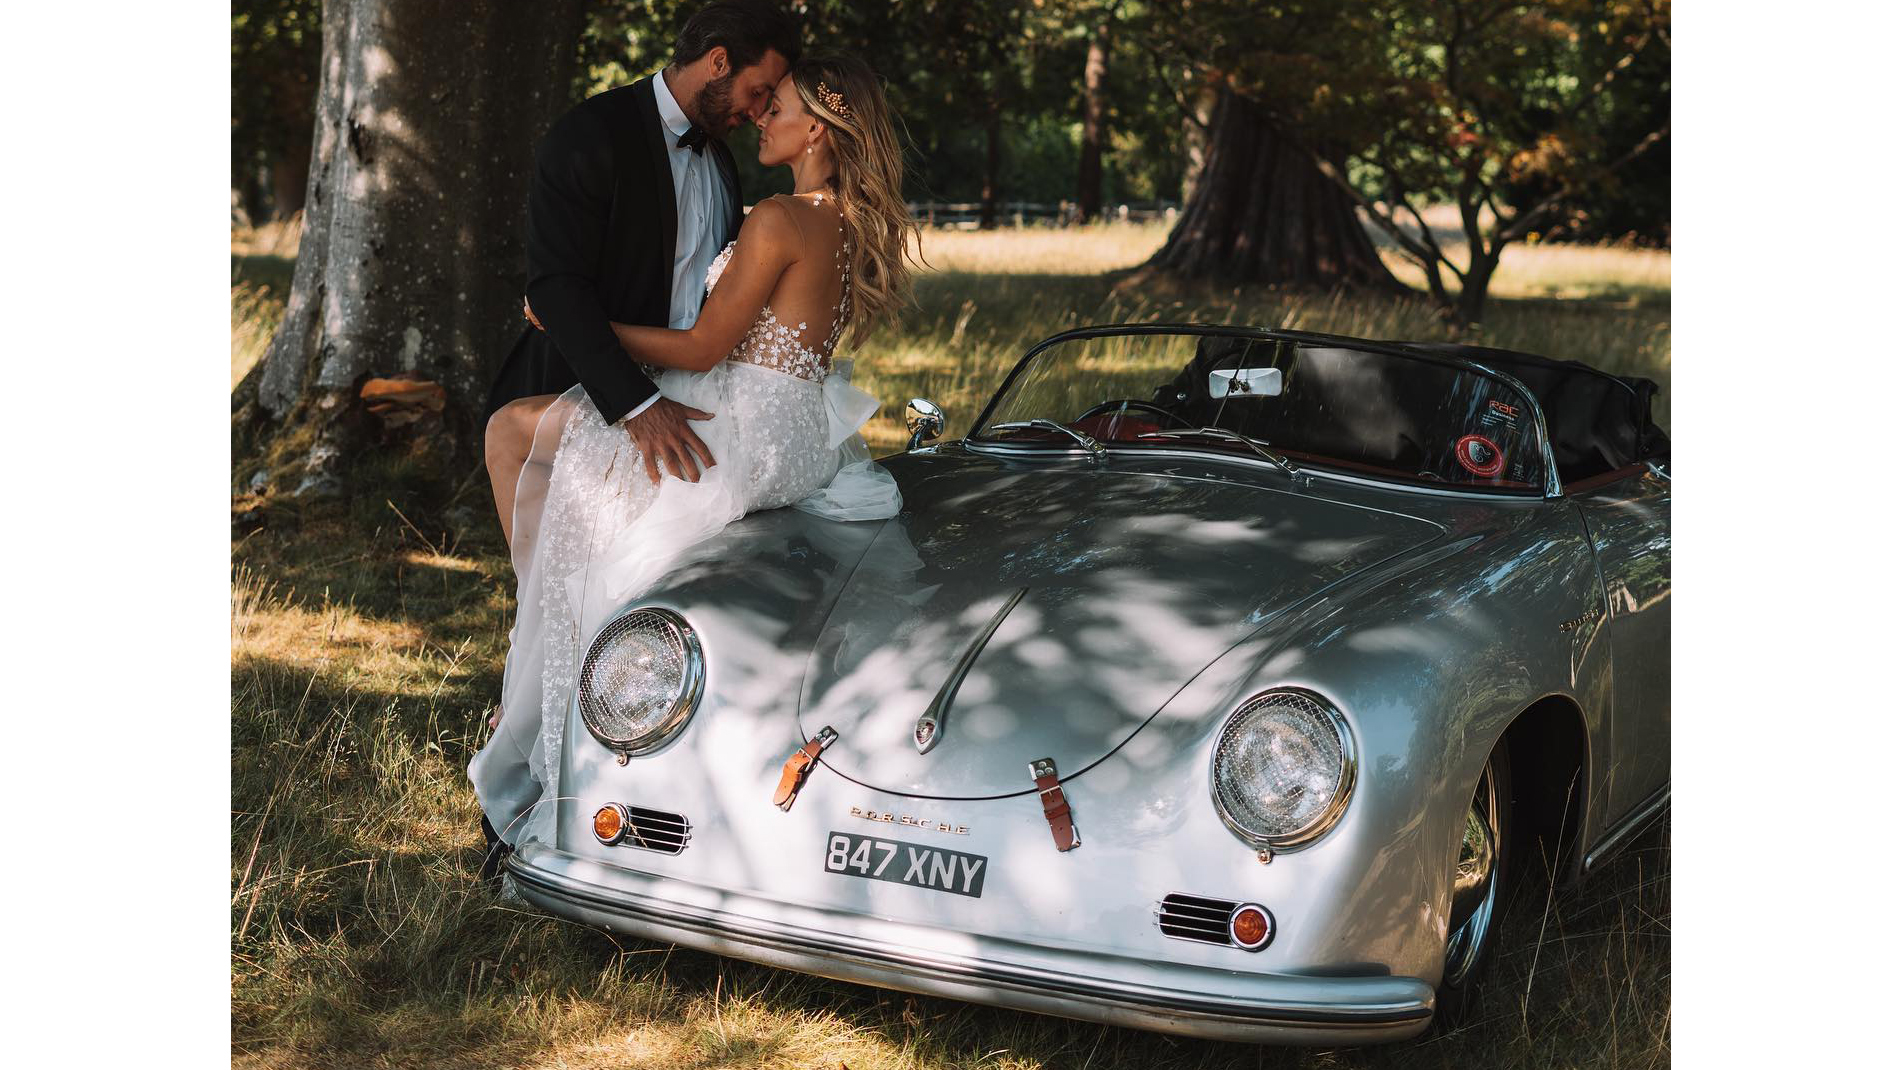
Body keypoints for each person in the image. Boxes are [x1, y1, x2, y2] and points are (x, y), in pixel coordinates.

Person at [469, 52, 919, 867]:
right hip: (800, 439)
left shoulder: (780, 218)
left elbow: (707, 345)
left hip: (733, 425)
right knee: (537, 454)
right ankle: (544, 614)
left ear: (816, 126)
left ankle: (540, 643)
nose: (761, 116)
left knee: (510, 432)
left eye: (776, 104)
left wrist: (575, 322)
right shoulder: (843, 219)